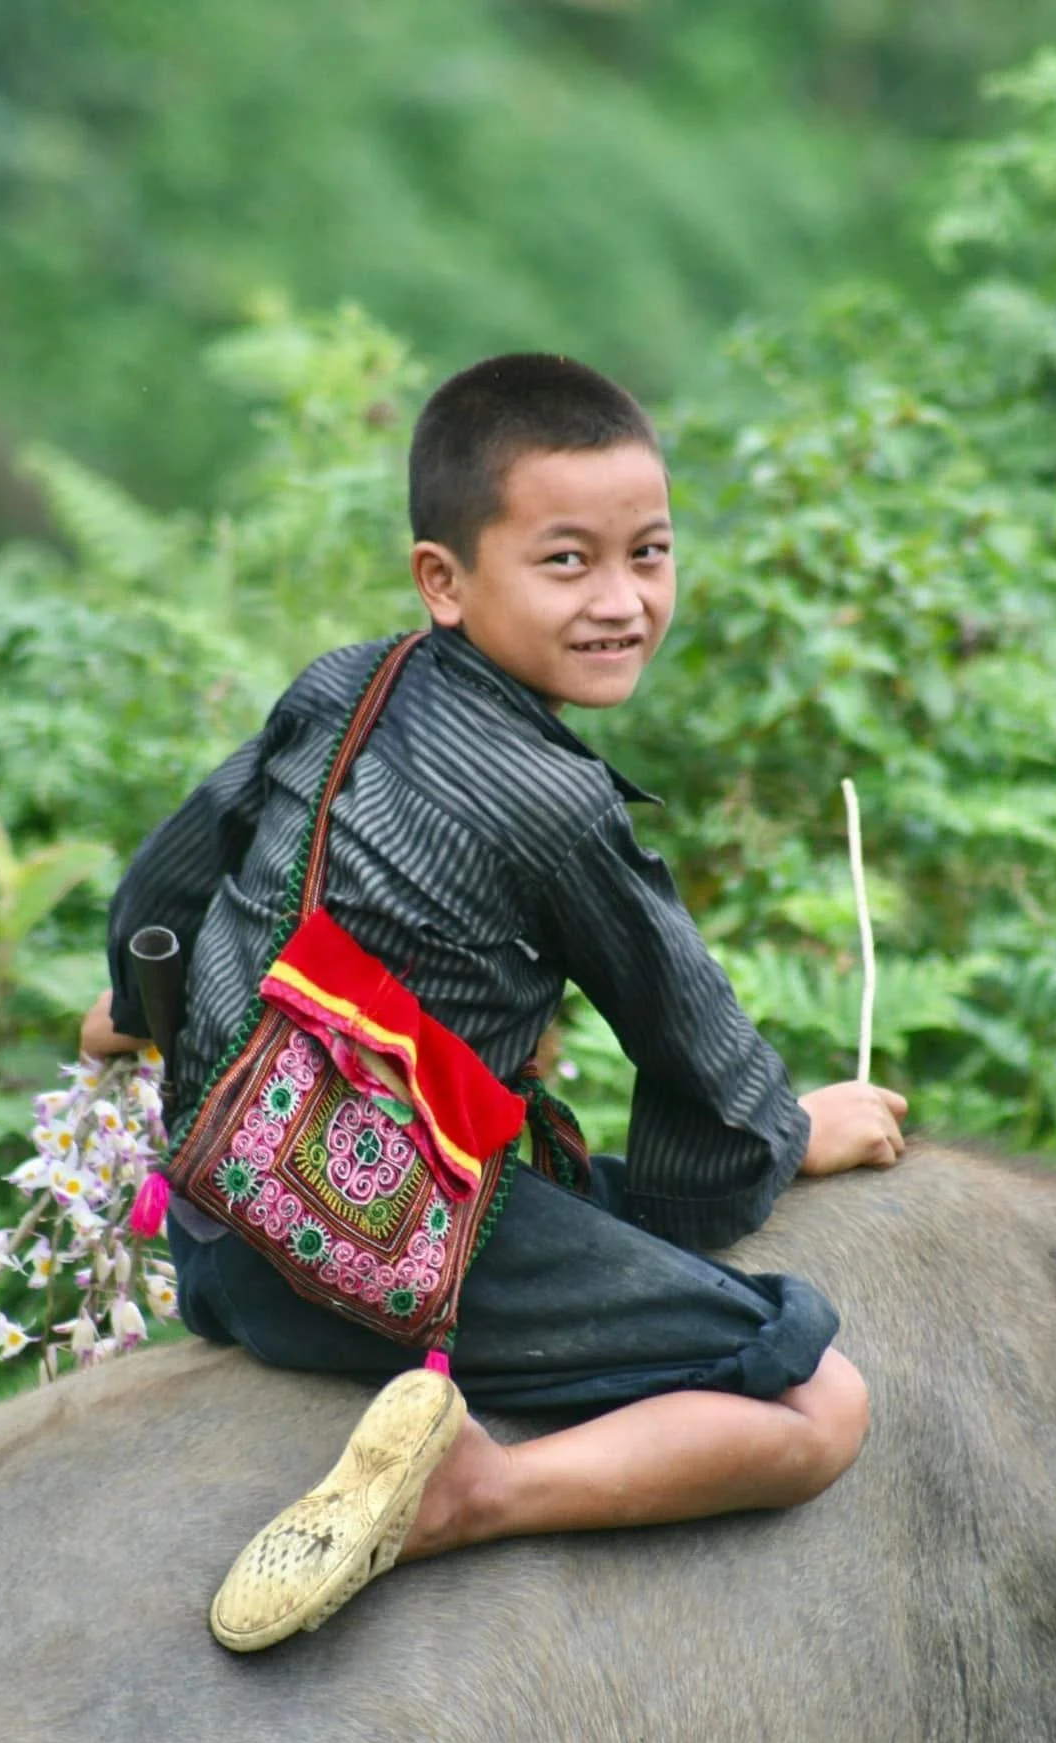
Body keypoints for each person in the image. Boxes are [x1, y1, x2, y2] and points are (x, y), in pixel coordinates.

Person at [84, 353, 907, 1651]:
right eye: (567, 562)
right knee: (819, 1407)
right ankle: (478, 1492)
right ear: (445, 579)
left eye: (649, 554)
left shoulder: (345, 683)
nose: (623, 601)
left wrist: (136, 1010)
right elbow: (699, 1062)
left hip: (215, 1223)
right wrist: (782, 1140)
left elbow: (168, 881)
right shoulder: (559, 805)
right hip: (357, 1266)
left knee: (569, 1181)